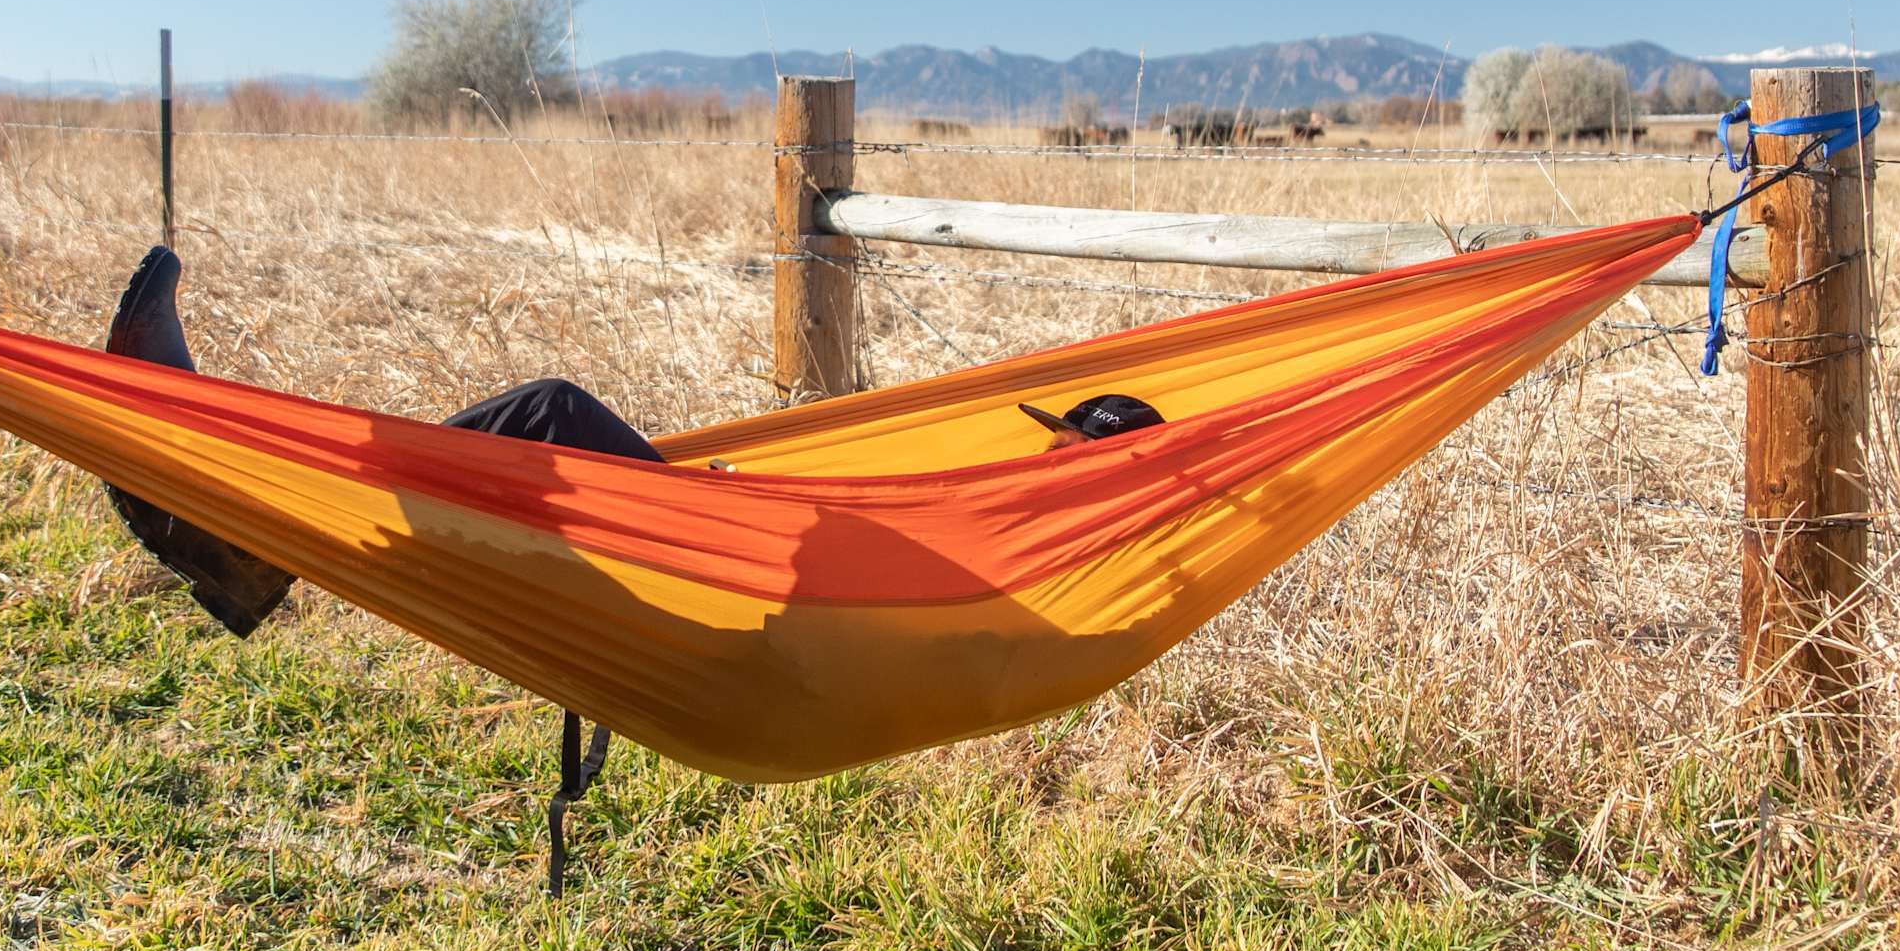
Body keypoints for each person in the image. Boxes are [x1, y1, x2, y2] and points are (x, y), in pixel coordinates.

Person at [95, 245, 1159, 638]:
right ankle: (262, 541)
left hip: (756, 580)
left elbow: (888, 573)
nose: (1048, 445)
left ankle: (259, 542)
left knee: (549, 413)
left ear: (1098, 468)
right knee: (529, 450)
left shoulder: (1035, 539)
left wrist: (747, 506)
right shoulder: (1044, 539)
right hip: (753, 550)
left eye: (1065, 439)